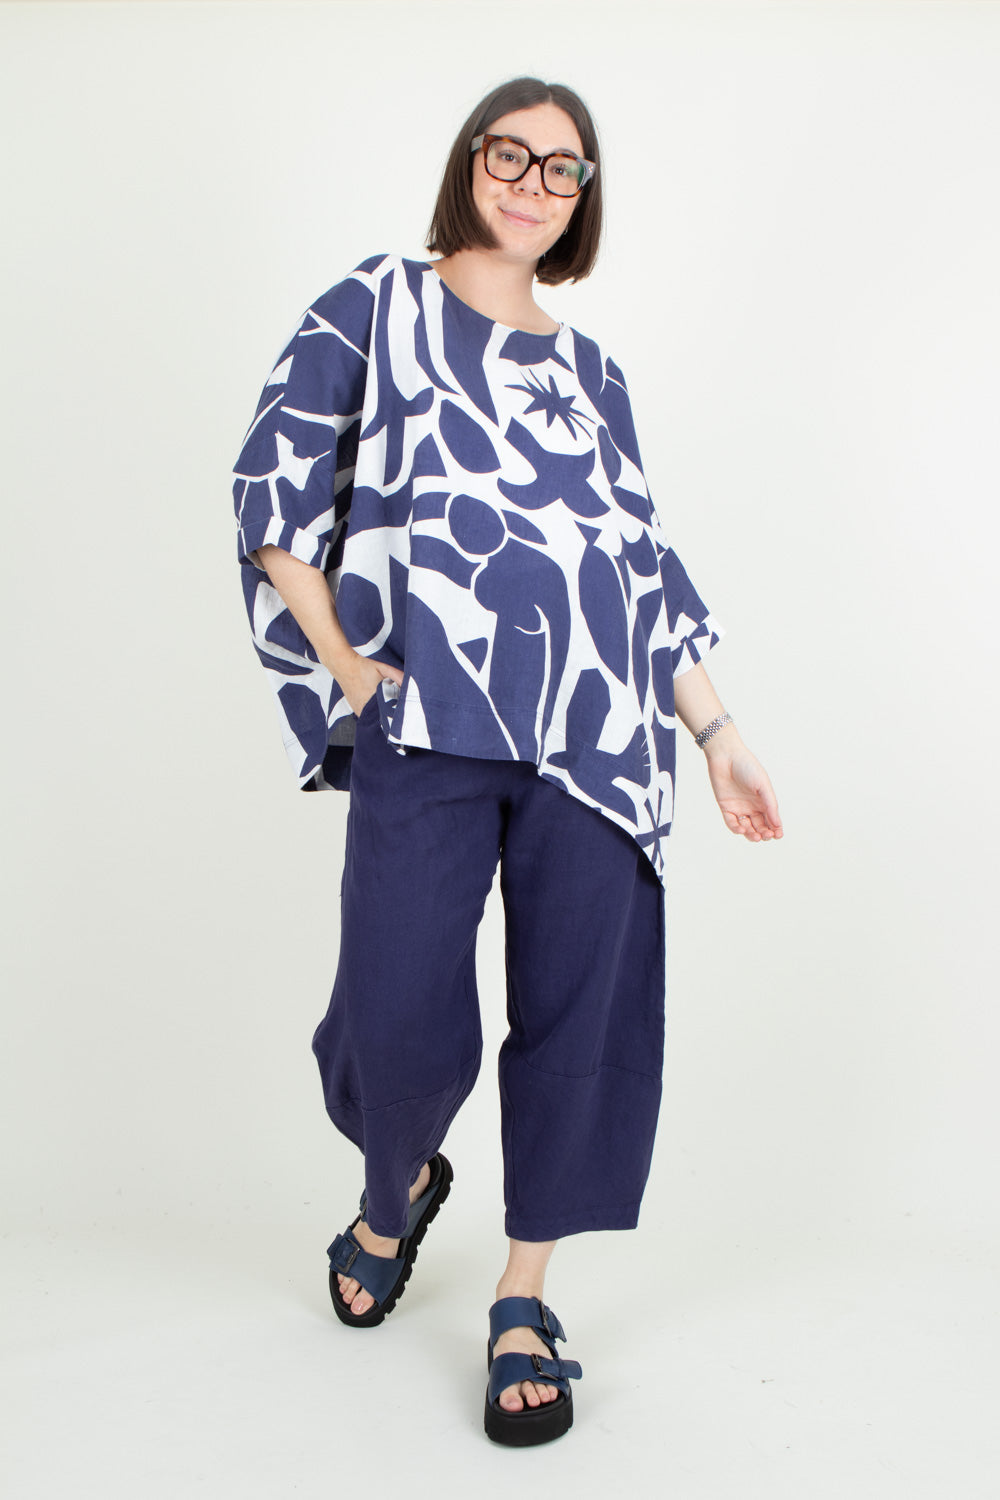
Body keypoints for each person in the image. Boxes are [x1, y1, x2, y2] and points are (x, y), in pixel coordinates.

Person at [232, 76, 782, 1448]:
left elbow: (643, 569)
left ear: (585, 198)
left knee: (580, 1017)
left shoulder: (597, 376)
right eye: (512, 154)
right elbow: (270, 491)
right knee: (395, 1009)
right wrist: (347, 663)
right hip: (427, 716)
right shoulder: (376, 304)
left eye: (564, 168)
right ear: (468, 161)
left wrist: (717, 733)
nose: (536, 184)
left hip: (598, 743)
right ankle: (394, 1191)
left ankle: (525, 1293)